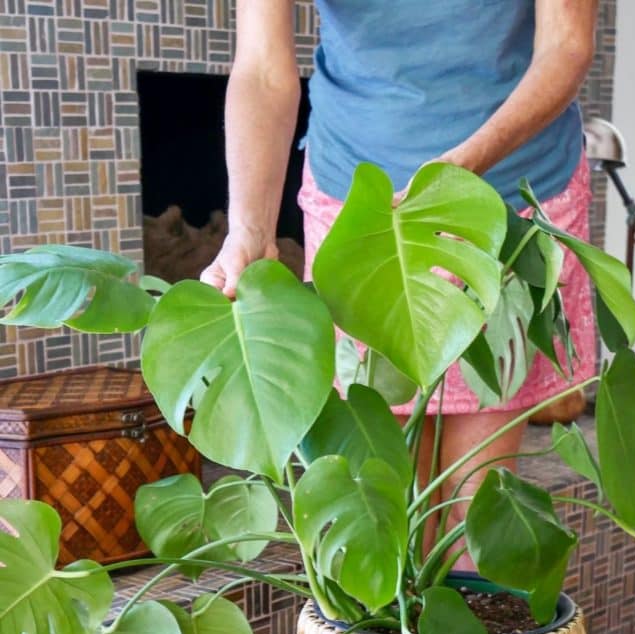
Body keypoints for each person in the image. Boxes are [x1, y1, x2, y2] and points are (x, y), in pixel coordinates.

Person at [201, 0, 598, 554]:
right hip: (356, 202)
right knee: (384, 512)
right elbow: (264, 69)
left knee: (475, 501)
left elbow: (567, 46)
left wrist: (458, 170)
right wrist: (249, 228)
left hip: (503, 195)